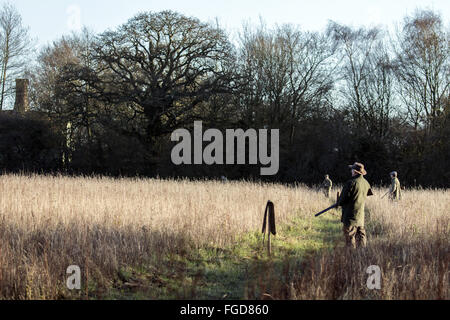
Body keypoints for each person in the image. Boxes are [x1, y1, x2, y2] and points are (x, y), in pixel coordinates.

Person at [336, 162, 372, 249]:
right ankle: (361, 257)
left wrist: (338, 202)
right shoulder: (366, 183)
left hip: (350, 216)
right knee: (361, 239)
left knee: (350, 238)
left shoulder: (351, 183)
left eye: (352, 169)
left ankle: (351, 257)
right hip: (360, 216)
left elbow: (342, 200)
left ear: (355, 172)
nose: (351, 171)